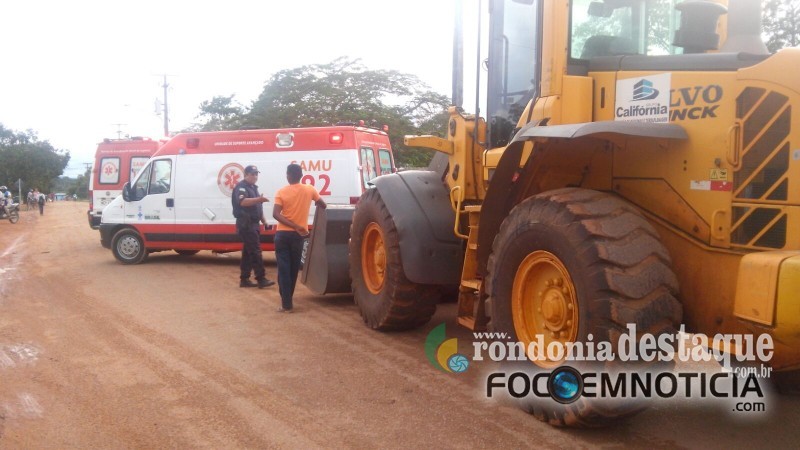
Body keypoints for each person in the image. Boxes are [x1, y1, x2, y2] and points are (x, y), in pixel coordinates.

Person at [272, 163, 327, 312]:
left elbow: (275, 214)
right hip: (299, 236)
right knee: (293, 269)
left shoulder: (281, 192)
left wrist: (293, 225)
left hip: (283, 235)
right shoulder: (310, 189)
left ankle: (286, 303)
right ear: (301, 176)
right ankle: (287, 300)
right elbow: (323, 205)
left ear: (288, 176)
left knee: (283, 269)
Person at [231, 165, 275, 289]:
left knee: (248, 252)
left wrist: (264, 221)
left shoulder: (253, 188)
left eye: (256, 174)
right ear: (246, 175)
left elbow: (258, 208)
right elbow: (243, 202)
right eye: (252, 174)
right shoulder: (241, 187)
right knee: (255, 251)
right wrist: (258, 199)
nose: (255, 176)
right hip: (246, 224)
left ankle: (244, 279)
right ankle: (261, 278)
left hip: (254, 224)